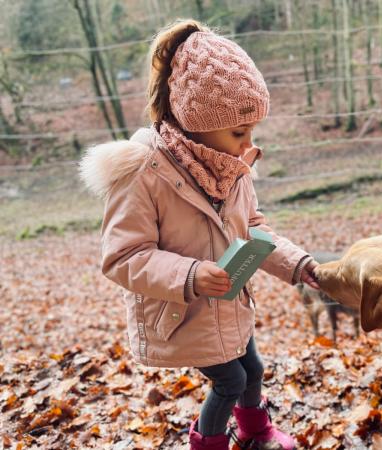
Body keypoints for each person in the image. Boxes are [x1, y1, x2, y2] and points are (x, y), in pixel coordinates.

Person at [80, 19, 319, 450]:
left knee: (254, 370)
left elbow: (254, 229)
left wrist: (298, 264)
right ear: (197, 120)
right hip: (184, 314)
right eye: (239, 132)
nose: (248, 143)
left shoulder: (232, 166)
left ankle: (256, 432)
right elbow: (122, 256)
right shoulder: (143, 172)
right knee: (230, 381)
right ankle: (208, 444)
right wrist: (189, 275)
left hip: (230, 308)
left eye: (252, 131)